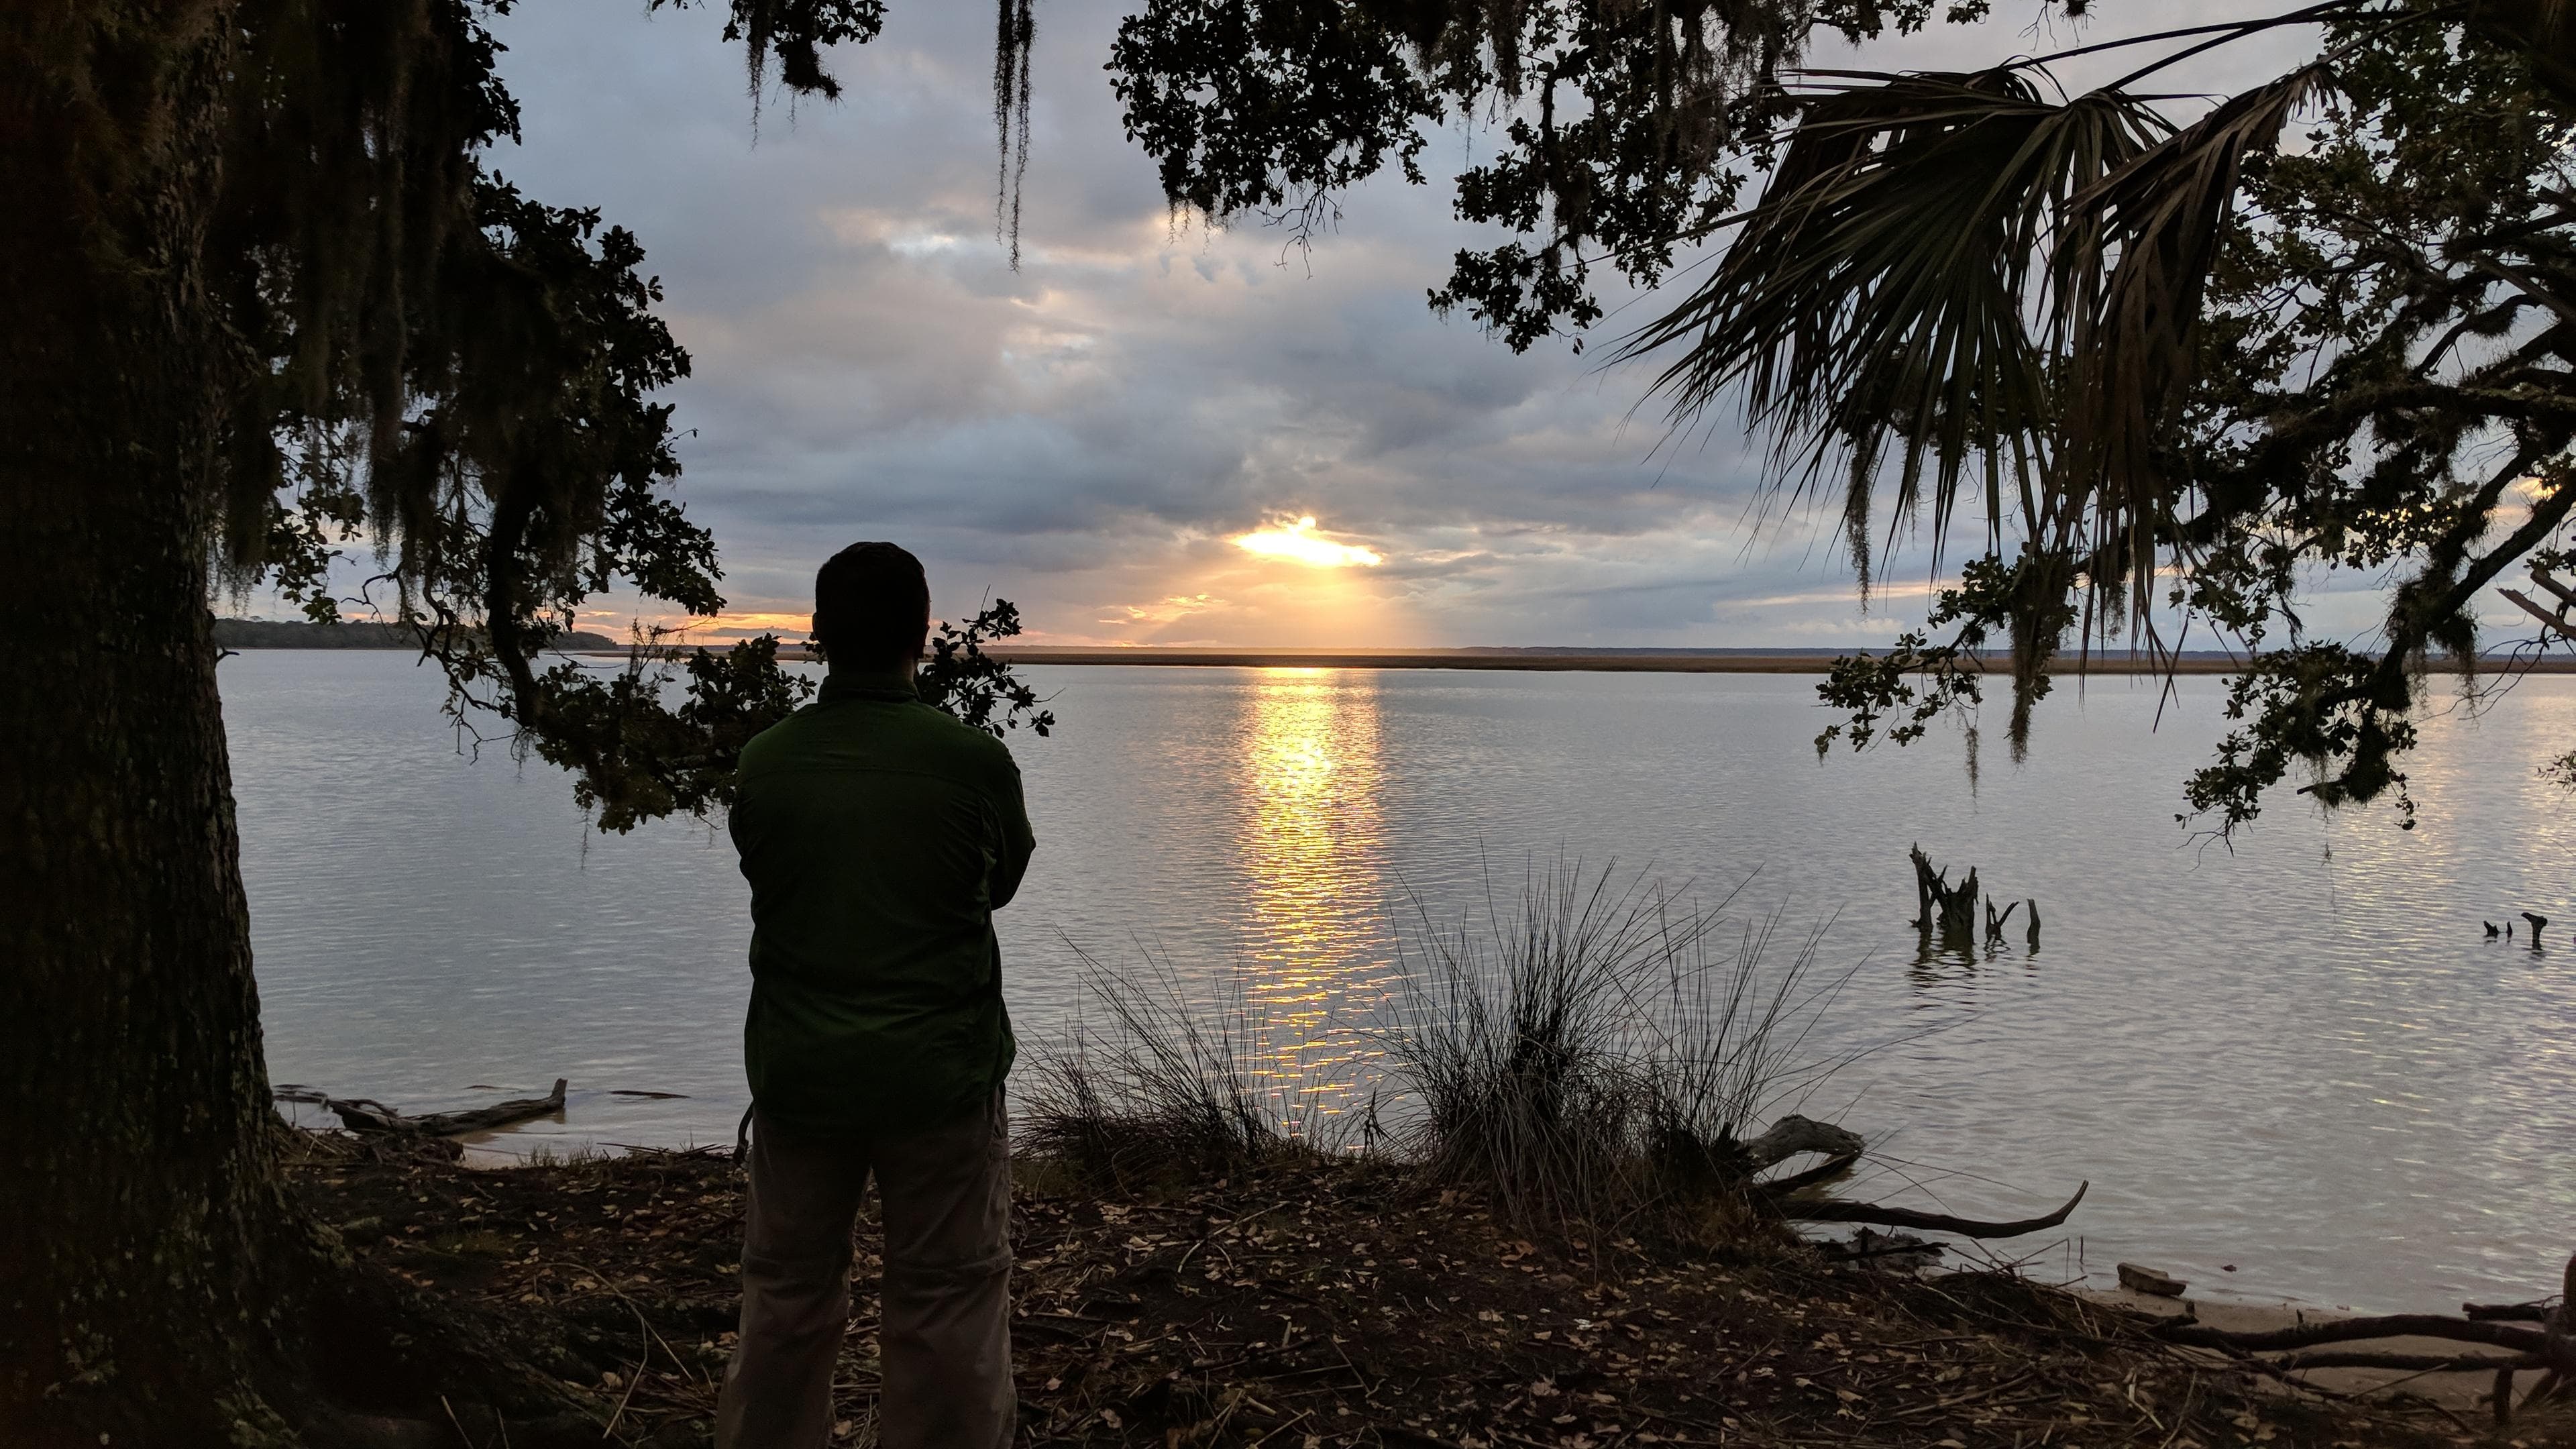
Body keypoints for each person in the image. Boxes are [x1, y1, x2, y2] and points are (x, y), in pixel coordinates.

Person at [715, 541, 1036, 1449]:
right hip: (940, 1081)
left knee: (782, 1297)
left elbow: (766, 873)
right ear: (920, 637)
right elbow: (1000, 883)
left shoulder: (766, 764)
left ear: (818, 638)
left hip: (801, 1076)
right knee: (947, 1304)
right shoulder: (974, 765)